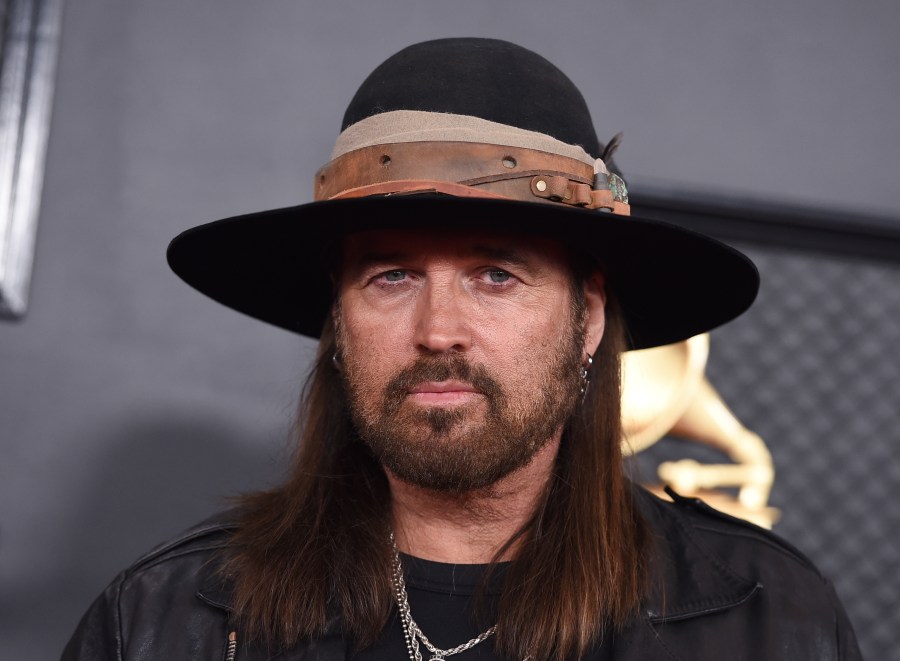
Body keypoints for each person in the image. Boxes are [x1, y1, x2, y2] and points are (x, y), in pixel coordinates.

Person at [62, 38, 861, 661]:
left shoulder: (764, 617)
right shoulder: (164, 620)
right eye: (391, 275)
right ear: (338, 323)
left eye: (495, 274)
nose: (438, 328)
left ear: (587, 318)